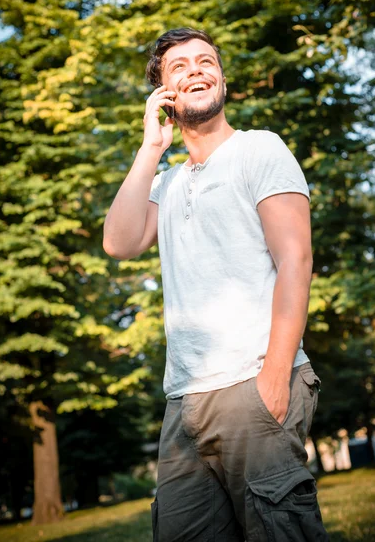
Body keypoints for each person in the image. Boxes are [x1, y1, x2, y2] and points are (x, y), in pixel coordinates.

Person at [103, 28, 329, 542]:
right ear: (164, 94)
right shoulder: (166, 182)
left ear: (223, 78)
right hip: (183, 402)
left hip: (254, 382)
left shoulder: (259, 149)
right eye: (178, 67)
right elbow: (118, 242)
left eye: (206, 61)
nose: (196, 70)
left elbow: (296, 259)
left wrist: (274, 376)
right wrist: (150, 148)